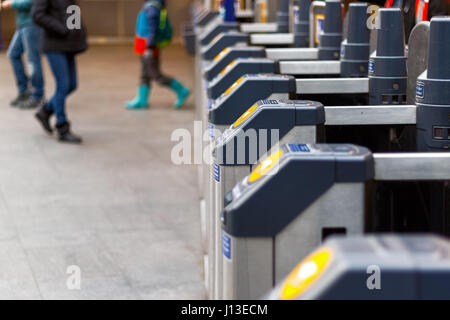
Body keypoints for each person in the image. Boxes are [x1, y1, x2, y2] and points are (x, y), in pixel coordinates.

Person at [32, 0, 87, 144]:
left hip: (69, 44)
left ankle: (45, 111)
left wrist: (78, 34)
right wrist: (62, 29)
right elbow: (38, 15)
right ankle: (62, 127)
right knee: (63, 85)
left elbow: (73, 11)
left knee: (72, 85)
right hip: (54, 44)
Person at [126, 0, 190, 110]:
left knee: (156, 75)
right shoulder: (152, 5)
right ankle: (142, 99)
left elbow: (152, 28)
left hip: (149, 47)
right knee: (145, 73)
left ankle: (181, 90)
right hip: (145, 46)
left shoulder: (152, 7)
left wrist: (149, 47)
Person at [2, 0, 44, 109]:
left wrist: (12, 3)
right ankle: (24, 90)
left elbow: (32, 2)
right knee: (13, 54)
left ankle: (38, 95)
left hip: (32, 25)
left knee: (33, 60)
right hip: (23, 25)